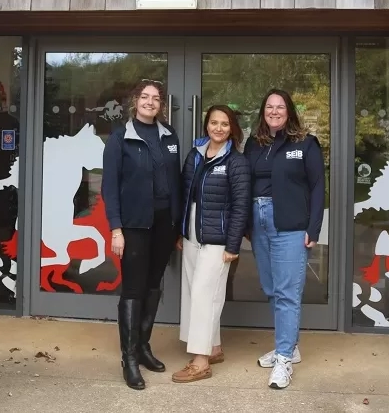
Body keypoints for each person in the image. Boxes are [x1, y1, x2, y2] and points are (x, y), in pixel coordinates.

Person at [101, 80, 182, 390]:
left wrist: (178, 225)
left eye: (156, 98)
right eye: (145, 97)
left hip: (165, 224)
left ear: (161, 105)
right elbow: (109, 188)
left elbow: (176, 181)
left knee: (152, 285)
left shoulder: (169, 135)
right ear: (135, 102)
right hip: (134, 226)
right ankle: (129, 358)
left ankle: (144, 346)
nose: (150, 102)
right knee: (133, 289)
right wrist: (116, 230)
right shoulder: (120, 138)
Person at [244, 88, 325, 390]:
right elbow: (244, 182)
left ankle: (284, 358)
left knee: (288, 292)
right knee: (271, 288)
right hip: (259, 223)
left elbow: (318, 187)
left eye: (280, 107)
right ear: (263, 112)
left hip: (290, 225)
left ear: (289, 111)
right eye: (269, 107)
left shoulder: (305, 143)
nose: (275, 111)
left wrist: (313, 229)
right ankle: (290, 346)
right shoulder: (254, 144)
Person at [172, 105, 251, 384]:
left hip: (218, 240)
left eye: (225, 124)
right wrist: (181, 233)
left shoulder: (236, 162)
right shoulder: (195, 155)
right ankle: (213, 348)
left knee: (207, 295)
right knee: (194, 292)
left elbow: (241, 206)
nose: (218, 128)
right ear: (206, 125)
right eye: (214, 123)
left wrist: (233, 245)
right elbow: (184, 195)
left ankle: (201, 362)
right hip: (193, 234)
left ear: (232, 129)